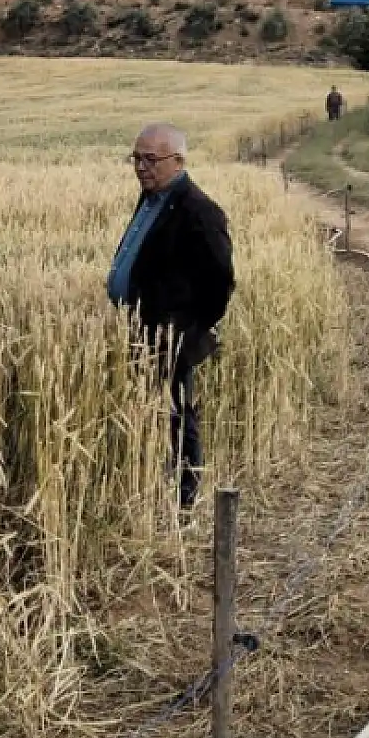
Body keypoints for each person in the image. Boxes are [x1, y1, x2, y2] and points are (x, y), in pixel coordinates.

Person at [106, 123, 234, 508]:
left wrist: (185, 330)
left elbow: (220, 283)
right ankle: (150, 483)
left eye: (151, 159)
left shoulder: (199, 211)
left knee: (178, 415)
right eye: (137, 158)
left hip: (171, 337)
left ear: (178, 161)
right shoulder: (152, 199)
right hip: (138, 329)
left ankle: (184, 500)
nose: (141, 167)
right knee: (150, 413)